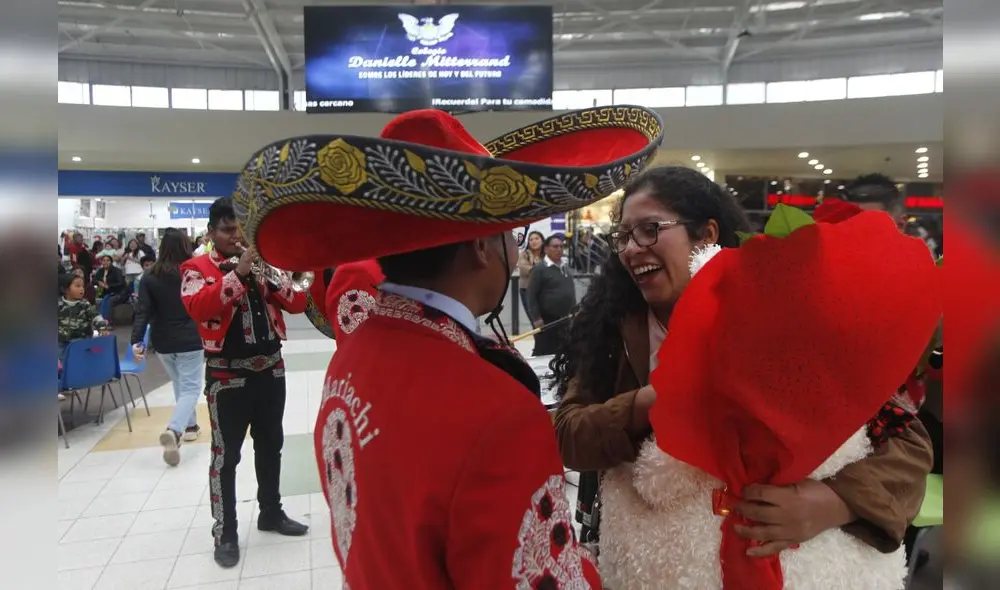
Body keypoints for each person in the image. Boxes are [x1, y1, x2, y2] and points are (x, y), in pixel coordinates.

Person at [229, 105, 664, 588]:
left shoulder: (355, 353)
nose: (515, 251)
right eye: (511, 234)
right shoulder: (497, 413)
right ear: (481, 246)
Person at [551, 166, 936, 587]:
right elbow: (567, 433)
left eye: (649, 230)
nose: (630, 249)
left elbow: (908, 446)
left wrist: (833, 502)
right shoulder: (614, 331)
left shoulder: (787, 313)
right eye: (623, 236)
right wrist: (650, 401)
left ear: (707, 234)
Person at [180, 196, 310, 569]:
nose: (234, 234)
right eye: (226, 229)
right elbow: (200, 307)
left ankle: (271, 512)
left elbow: (297, 302)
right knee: (226, 458)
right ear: (211, 232)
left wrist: (266, 270)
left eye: (239, 227)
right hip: (227, 377)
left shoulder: (262, 264)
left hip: (270, 370)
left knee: (271, 446)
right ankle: (225, 533)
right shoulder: (195, 268)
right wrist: (237, 273)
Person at [132, 228, 204, 466]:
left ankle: (191, 426)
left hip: (162, 341)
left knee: (180, 384)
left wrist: (136, 340)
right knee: (191, 389)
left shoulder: (149, 277)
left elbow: (142, 311)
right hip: (190, 338)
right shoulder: (192, 272)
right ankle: (175, 430)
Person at [526, 234, 576, 356]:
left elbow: (570, 291)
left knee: (565, 351)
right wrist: (536, 317)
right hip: (547, 321)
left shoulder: (565, 267)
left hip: (565, 319)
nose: (559, 249)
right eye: (555, 246)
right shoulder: (539, 269)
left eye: (561, 246)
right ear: (546, 248)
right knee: (544, 351)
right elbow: (531, 295)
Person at [58, 273, 108, 357]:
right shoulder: (58, 304)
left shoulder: (85, 304)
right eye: (77, 286)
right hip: (61, 341)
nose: (82, 289)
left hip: (81, 340)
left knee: (78, 359)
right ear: (65, 289)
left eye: (82, 286)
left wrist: (102, 328)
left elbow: (96, 316)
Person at [515, 230, 544, 318]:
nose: (534, 241)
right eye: (531, 239)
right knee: (534, 319)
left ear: (542, 241)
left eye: (536, 238)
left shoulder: (547, 255)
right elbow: (526, 270)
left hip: (545, 290)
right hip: (527, 290)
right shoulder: (524, 255)